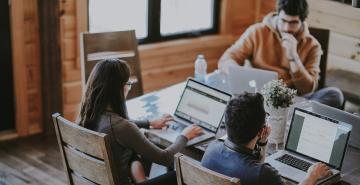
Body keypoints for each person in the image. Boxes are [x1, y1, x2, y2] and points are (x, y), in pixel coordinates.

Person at [77, 58, 203, 185]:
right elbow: (165, 158)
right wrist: (184, 136)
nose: (129, 87)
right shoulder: (121, 127)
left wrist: (149, 123)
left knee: (135, 150)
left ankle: (141, 179)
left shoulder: (88, 115)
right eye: (128, 83)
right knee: (182, 173)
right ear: (119, 88)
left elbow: (121, 128)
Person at [218, 0, 344, 109]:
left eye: (293, 23)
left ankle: (289, 115)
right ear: (278, 15)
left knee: (335, 95)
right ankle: (286, 116)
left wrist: (293, 56)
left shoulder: (312, 45)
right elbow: (226, 59)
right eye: (283, 20)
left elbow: (308, 89)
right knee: (220, 84)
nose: (287, 28)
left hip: (291, 100)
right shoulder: (257, 32)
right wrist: (240, 75)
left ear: (302, 21)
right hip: (257, 95)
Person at [201, 93, 332, 185]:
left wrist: (262, 141)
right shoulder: (263, 174)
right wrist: (311, 176)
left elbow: (254, 164)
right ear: (262, 130)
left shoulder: (211, 150)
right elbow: (256, 169)